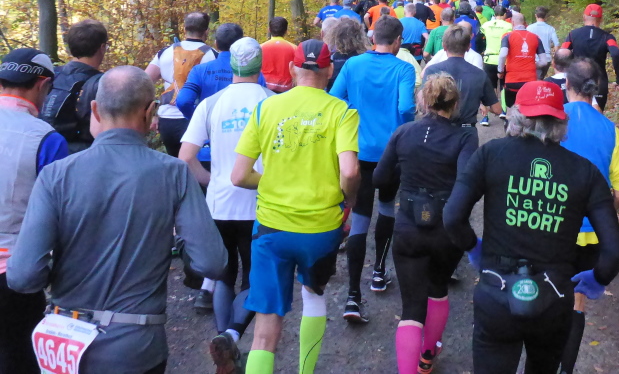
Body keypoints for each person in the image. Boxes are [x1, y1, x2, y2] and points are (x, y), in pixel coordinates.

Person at [7, 66, 228, 374]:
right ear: (150, 112)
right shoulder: (173, 173)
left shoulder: (56, 175)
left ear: (95, 109)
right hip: (136, 346)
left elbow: (22, 276)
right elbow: (212, 263)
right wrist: (177, 242)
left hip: (64, 344)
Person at [442, 80, 619, 374]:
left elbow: (452, 216)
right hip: (554, 297)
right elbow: (615, 248)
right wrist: (598, 278)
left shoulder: (491, 154)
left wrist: (474, 248)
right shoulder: (585, 172)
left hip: (496, 290)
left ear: (517, 115)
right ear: (561, 121)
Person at [232, 39, 360, 374]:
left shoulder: (266, 108)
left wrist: (274, 179)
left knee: (264, 329)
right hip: (320, 228)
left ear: (292, 68)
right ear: (329, 70)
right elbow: (349, 171)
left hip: (271, 228)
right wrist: (348, 198)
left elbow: (239, 175)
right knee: (314, 296)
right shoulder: (342, 112)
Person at [179, 38, 275, 374]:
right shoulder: (272, 102)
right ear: (260, 65)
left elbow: (185, 157)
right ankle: (231, 337)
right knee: (255, 277)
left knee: (223, 276)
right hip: (261, 205)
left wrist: (211, 180)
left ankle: (224, 343)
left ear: (231, 65)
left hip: (219, 203)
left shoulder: (211, 104)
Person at [373, 75, 478, 374]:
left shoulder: (403, 132)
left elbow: (379, 178)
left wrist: (405, 171)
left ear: (422, 100)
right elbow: (467, 182)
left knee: (411, 309)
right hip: (446, 228)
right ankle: (428, 356)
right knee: (438, 288)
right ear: (455, 102)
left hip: (408, 226)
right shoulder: (466, 137)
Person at [330, 15, 416, 322]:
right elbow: (406, 107)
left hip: (359, 151)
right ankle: (379, 272)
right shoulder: (404, 68)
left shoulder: (353, 65)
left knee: (360, 217)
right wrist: (404, 127)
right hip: (390, 153)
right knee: (388, 207)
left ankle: (353, 297)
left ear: (372, 37)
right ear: (397, 41)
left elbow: (334, 98)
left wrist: (354, 114)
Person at [558, 58, 619, 374]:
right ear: (596, 88)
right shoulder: (611, 131)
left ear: (567, 84)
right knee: (576, 301)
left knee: (543, 292)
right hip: (590, 234)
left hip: (550, 225)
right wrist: (601, 215)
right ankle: (565, 368)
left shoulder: (553, 121)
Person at [0, 48, 67, 374]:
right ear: (42, 85)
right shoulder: (47, 139)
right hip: (13, 273)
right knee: (19, 358)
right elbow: (59, 216)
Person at [146, 12, 218, 157]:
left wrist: (151, 114)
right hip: (197, 119)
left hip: (167, 120)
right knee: (197, 165)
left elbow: (143, 82)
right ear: (206, 31)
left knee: (175, 164)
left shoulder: (164, 53)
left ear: (184, 29)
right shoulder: (213, 55)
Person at [41, 19, 107, 153]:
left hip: (46, 148)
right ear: (102, 47)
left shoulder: (52, 75)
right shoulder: (102, 83)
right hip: (86, 153)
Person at [176, 23, 266, 120]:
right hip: (244, 125)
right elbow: (264, 103)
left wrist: (199, 118)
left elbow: (183, 101)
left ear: (216, 44)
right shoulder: (254, 74)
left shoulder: (199, 71)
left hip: (211, 125)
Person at [423, 25, 502, 130]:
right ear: (468, 46)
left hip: (437, 128)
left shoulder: (432, 71)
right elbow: (497, 109)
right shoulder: (479, 74)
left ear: (444, 46)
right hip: (466, 131)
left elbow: (423, 103)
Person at [560, 4, 619, 110]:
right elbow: (616, 54)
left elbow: (562, 53)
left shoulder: (572, 34)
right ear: (601, 19)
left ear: (584, 17)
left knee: (576, 112)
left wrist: (564, 73)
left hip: (577, 79)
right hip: (599, 81)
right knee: (597, 113)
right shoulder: (608, 37)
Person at [498, 13, 549, 111]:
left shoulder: (507, 36)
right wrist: (531, 64)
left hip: (512, 80)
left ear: (512, 22)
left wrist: (500, 71)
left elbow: (503, 54)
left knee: (511, 110)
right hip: (530, 81)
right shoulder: (536, 37)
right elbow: (544, 62)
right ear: (525, 23)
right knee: (528, 110)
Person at [480, 6, 513, 103]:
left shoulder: (486, 25)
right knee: (503, 86)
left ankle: (492, 107)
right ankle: (503, 108)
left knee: (491, 86)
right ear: (505, 15)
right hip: (504, 60)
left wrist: (483, 49)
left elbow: (479, 39)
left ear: (494, 14)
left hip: (489, 59)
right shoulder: (509, 26)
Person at [327, 17, 369, 91]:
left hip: (334, 96)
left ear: (335, 36)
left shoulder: (332, 60)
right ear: (360, 36)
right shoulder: (365, 59)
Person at [261, 16, 296, 93]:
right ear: (286, 31)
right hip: (286, 90)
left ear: (269, 29)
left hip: (265, 88)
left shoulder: (260, 48)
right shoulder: (294, 48)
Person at [527, 6, 560, 80]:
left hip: (533, 58)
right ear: (546, 17)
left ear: (535, 15)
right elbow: (556, 44)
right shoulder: (550, 29)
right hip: (546, 58)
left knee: (534, 79)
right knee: (540, 78)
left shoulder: (529, 28)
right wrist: (555, 58)